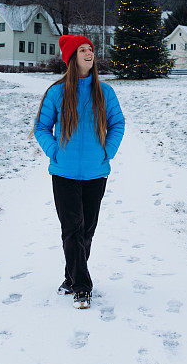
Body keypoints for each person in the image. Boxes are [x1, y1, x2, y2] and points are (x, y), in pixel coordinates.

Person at [30, 35, 125, 309]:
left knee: (87, 232)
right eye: (83, 50)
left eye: (91, 49)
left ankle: (71, 278)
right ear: (72, 57)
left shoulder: (104, 92)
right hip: (64, 173)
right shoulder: (57, 92)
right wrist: (54, 151)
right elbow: (41, 127)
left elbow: (117, 123)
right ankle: (83, 287)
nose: (89, 53)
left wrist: (108, 151)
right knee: (72, 229)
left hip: (96, 173)